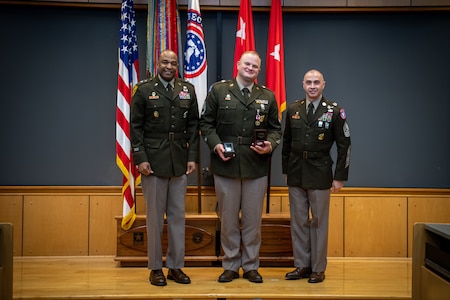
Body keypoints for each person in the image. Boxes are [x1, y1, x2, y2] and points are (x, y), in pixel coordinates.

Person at [200, 51, 282, 283]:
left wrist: (270, 145)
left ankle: (251, 266)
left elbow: (276, 129)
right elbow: (206, 124)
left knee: (253, 221)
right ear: (238, 64)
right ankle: (230, 265)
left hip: (255, 167)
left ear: (259, 70)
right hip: (226, 165)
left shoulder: (267, 95)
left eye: (255, 66)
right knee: (227, 220)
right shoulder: (219, 91)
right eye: (247, 63)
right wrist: (215, 145)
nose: (250, 68)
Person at [130, 49, 199, 286]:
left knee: (178, 217)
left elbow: (193, 126)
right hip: (153, 162)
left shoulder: (187, 89)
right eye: (164, 62)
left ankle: (175, 266)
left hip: (179, 161)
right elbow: (135, 127)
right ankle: (155, 268)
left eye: (173, 63)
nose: (169, 66)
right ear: (157, 64)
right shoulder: (144, 89)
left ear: (177, 65)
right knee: (155, 219)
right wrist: (140, 158)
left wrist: (192, 156)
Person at [282, 69, 351, 283]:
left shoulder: (334, 110)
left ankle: (318, 268)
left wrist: (339, 177)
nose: (312, 86)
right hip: (296, 171)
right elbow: (286, 143)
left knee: (319, 222)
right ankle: (302, 265)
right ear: (303, 84)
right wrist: (286, 171)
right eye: (309, 82)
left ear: (323, 85)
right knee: (299, 222)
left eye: (316, 82)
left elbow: (344, 145)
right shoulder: (293, 108)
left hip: (321, 171)